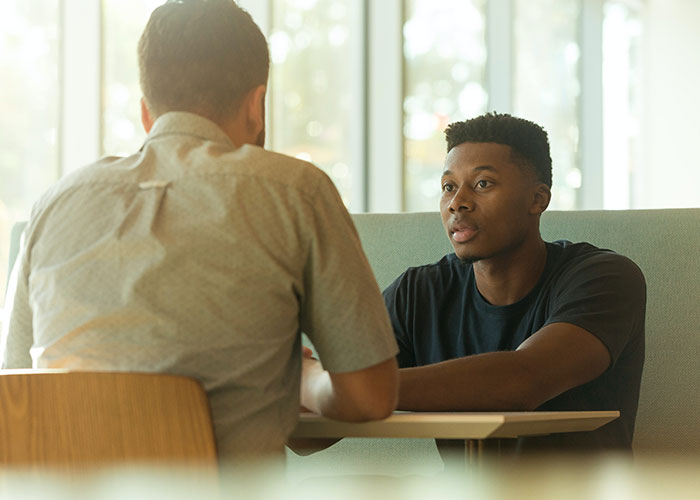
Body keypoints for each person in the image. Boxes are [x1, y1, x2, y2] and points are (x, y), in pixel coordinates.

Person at [0, 0, 398, 462]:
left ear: (147, 113)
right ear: (257, 105)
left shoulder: (55, 203)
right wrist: (305, 380)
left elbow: (15, 387)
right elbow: (369, 397)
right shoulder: (295, 191)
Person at [383, 112, 645, 453]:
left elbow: (522, 381)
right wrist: (307, 385)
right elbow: (309, 435)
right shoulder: (417, 293)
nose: (456, 203)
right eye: (448, 186)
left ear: (538, 199)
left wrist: (350, 389)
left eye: (482, 184)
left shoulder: (605, 278)